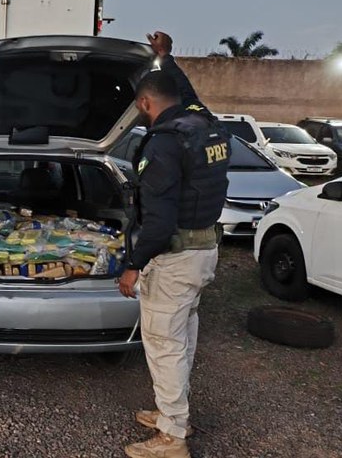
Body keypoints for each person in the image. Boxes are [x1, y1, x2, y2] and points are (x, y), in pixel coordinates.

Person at [118, 32, 230, 458]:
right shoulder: (206, 125)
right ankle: (174, 415)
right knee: (181, 339)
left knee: (164, 345)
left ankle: (172, 439)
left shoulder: (165, 143)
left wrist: (133, 264)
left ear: (146, 103)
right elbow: (188, 95)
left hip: (176, 257)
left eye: (140, 107)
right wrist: (166, 59)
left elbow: (160, 222)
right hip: (204, 251)